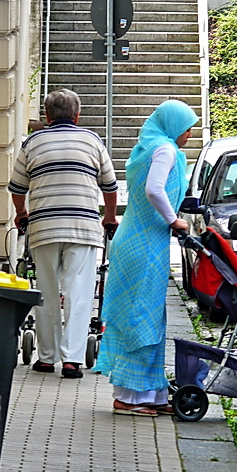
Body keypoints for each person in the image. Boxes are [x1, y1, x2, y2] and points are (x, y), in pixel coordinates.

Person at [93, 99, 199, 417]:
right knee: (141, 319)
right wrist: (174, 220)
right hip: (145, 245)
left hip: (137, 241)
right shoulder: (165, 150)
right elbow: (155, 189)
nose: (190, 134)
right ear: (174, 126)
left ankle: (150, 394)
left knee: (146, 318)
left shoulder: (149, 145)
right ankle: (128, 397)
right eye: (187, 126)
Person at [8, 88, 118, 379]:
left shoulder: (32, 142)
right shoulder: (92, 140)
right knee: (79, 294)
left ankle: (46, 358)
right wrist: (109, 216)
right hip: (83, 229)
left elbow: (17, 188)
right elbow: (110, 186)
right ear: (77, 116)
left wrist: (22, 214)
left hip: (43, 227)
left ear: (46, 116)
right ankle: (72, 360)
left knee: (44, 291)